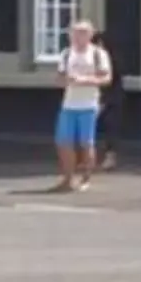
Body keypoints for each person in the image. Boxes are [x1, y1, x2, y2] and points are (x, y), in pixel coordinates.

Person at [54, 18, 112, 192]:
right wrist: (66, 81)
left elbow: (106, 78)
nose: (77, 37)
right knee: (64, 142)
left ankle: (86, 178)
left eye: (81, 33)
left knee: (86, 143)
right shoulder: (66, 53)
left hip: (88, 104)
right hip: (69, 104)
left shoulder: (98, 54)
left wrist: (85, 80)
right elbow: (59, 78)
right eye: (74, 33)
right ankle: (67, 178)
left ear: (90, 35)